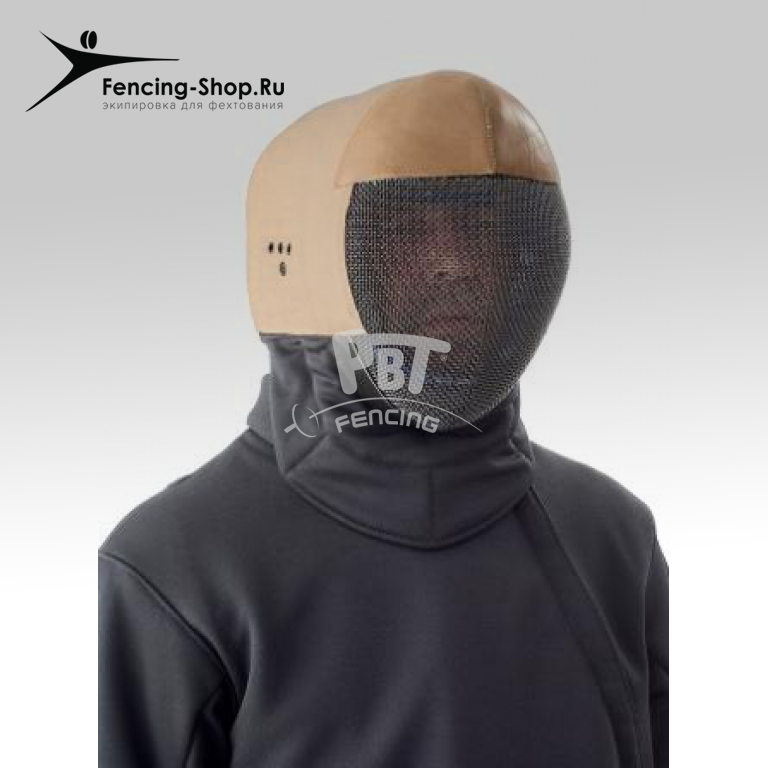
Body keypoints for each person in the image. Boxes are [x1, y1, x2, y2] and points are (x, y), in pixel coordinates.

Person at [99, 69, 668, 767]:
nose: (456, 263)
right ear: (297, 258)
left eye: (480, 228)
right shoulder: (175, 570)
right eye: (409, 228)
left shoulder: (614, 539)